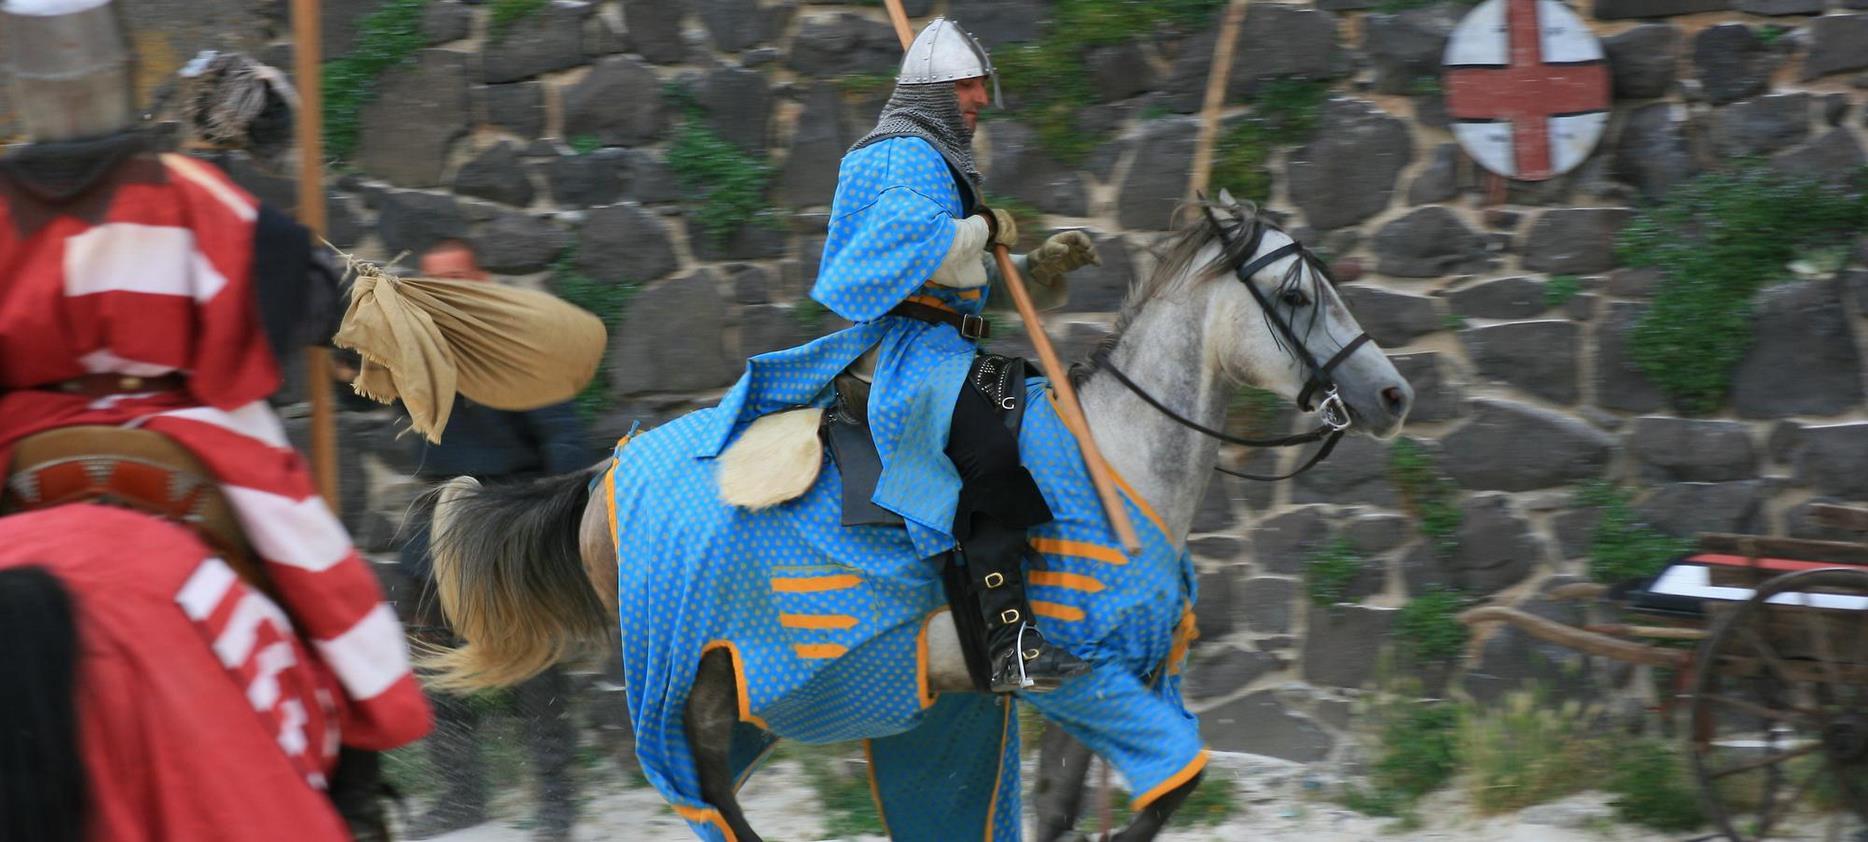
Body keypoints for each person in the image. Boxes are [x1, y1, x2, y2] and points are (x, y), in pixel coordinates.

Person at [0, 0, 431, 834]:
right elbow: (299, 297)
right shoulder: (186, 193)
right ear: (116, 62)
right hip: (187, 430)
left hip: (19, 443)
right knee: (320, 571)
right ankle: (358, 770)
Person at [720, 18, 1105, 693]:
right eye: (967, 86)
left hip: (946, 347)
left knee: (1047, 409)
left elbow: (966, 285)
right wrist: (982, 227)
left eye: (981, 86)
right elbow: (915, 249)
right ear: (931, 89)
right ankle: (1010, 638)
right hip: (906, 357)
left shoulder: (937, 162)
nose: (982, 99)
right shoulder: (898, 155)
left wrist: (1039, 262)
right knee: (986, 450)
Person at [398, 240, 591, 841]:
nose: (451, 289)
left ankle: (557, 805)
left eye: (460, 277)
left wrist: (548, 529)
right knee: (431, 659)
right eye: (439, 282)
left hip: (507, 519)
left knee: (534, 667)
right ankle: (462, 797)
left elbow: (564, 443)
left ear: (482, 278)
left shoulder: (521, 348)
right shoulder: (421, 351)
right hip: (438, 518)